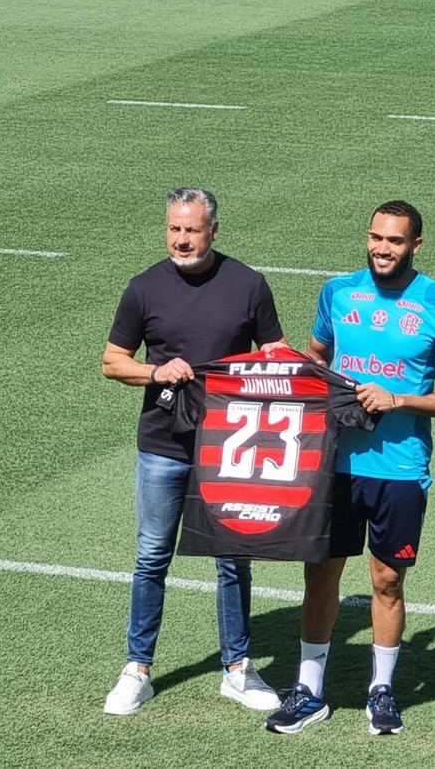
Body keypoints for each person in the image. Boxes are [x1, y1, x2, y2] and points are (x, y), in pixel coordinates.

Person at [265, 200, 435, 735]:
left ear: (416, 246)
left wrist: (398, 400)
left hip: (400, 469)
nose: (383, 249)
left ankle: (380, 691)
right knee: (321, 576)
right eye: (376, 238)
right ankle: (308, 691)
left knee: (386, 581)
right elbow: (316, 357)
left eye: (396, 241)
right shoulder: (337, 292)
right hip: (334, 465)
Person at [102, 187, 286, 715]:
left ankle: (238, 668)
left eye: (192, 230)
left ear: (213, 231)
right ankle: (137, 669)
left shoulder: (248, 284)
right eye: (174, 229)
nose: (181, 239)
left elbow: (272, 352)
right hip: (163, 445)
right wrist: (155, 371)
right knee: (151, 557)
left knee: (233, 558)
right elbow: (113, 360)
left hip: (231, 448)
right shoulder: (143, 288)